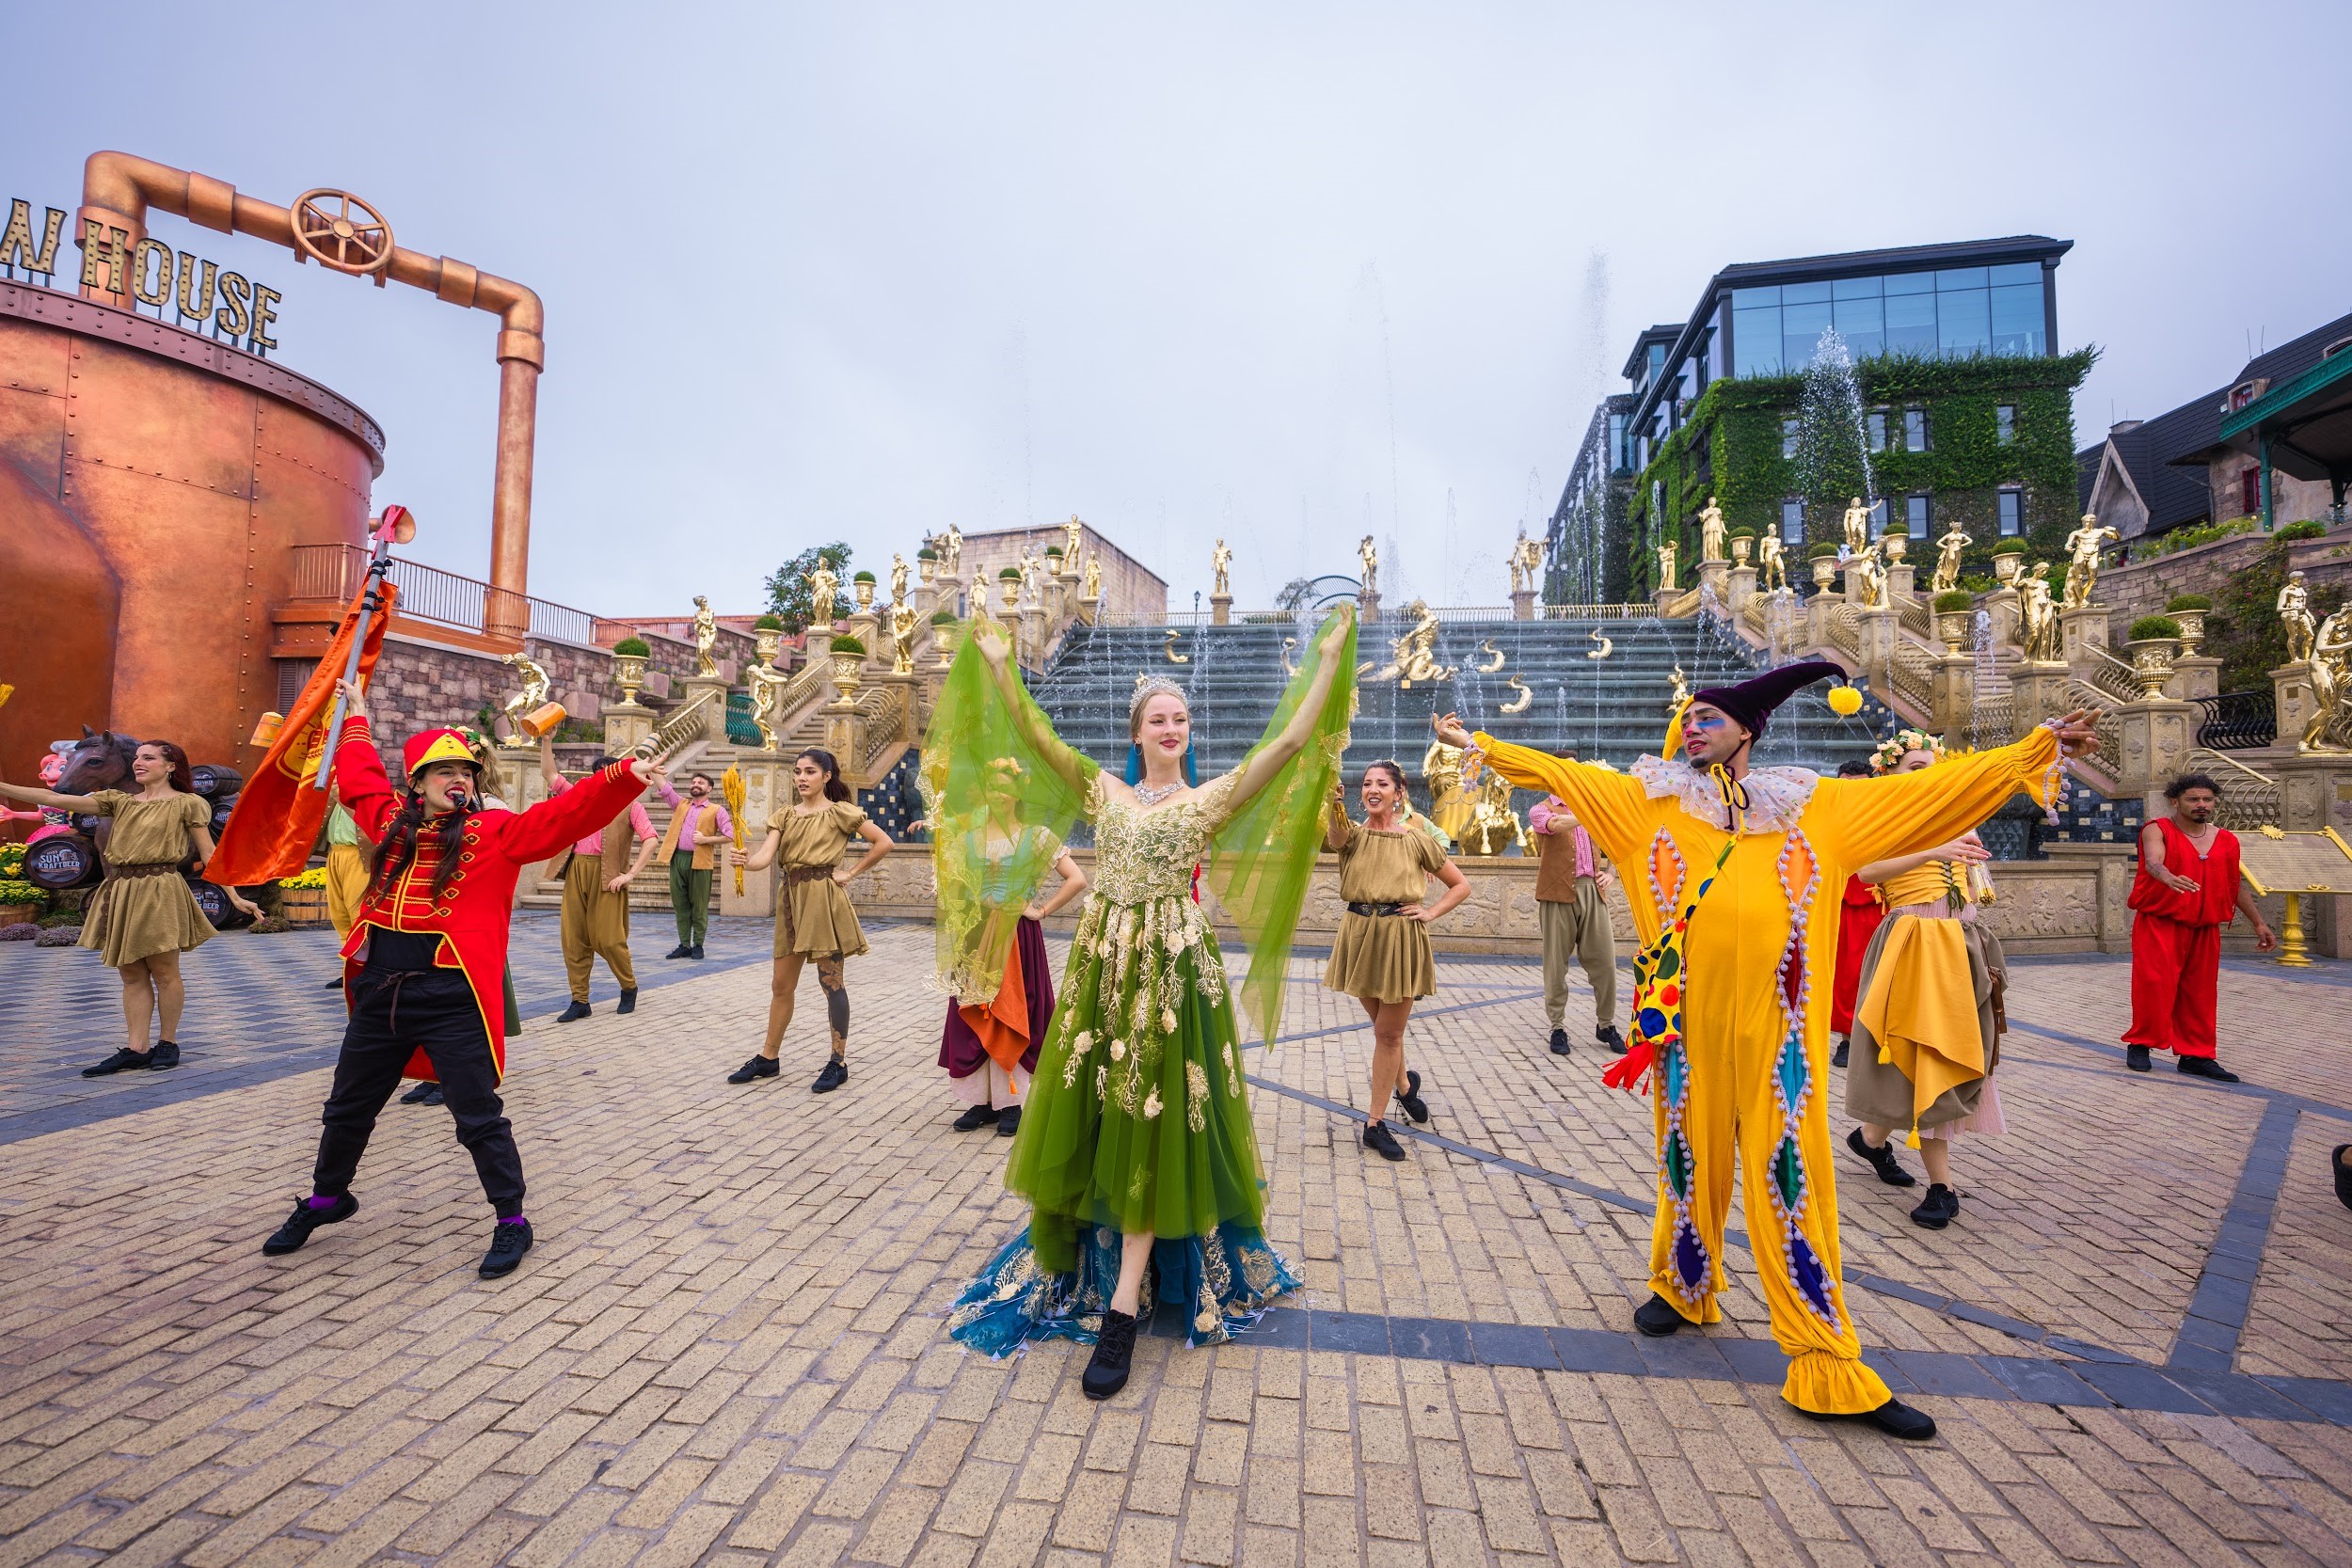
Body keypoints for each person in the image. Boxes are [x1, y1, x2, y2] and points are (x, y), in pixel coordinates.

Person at [1437, 671, 2100, 1442]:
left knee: (1793, 1180)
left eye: (1708, 716)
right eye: (1687, 716)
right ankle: (1685, 1284)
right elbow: (1560, 774)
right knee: (1687, 1159)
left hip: (1781, 1037)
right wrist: (1478, 744)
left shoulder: (1817, 807)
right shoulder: (1644, 802)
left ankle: (1823, 1357)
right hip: (1682, 1031)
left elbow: (1933, 793)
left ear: (1747, 729)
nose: (1691, 727)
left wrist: (2034, 747)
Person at [939, 607, 1355, 1399]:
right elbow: (1036, 739)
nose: (1174, 725)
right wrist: (998, 665)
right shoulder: (1103, 791)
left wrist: (1328, 660)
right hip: (1104, 973)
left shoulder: (1208, 801)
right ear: (1137, 733)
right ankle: (1088, 1268)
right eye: (1160, 717)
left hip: (1170, 979)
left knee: (1149, 1121)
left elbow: (1291, 743)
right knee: (1095, 1114)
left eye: (1183, 717)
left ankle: (1123, 1305)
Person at [261, 681, 669, 1276]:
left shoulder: (497, 835)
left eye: (467, 772)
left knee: (477, 1115)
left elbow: (564, 815)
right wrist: (357, 717)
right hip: (380, 989)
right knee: (347, 1106)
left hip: (451, 997)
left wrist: (624, 776)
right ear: (418, 784)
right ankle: (327, 1199)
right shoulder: (392, 826)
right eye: (443, 770)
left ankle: (512, 1221)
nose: (459, 780)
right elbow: (361, 780)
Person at [2, 740, 260, 1076]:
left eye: (148, 758)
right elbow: (53, 798)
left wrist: (235, 896)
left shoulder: (188, 803)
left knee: (165, 971)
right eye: (137, 758)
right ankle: (136, 1048)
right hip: (121, 889)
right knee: (131, 973)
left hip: (160, 887)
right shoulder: (118, 801)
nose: (138, 763)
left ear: (170, 766)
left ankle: (167, 1043)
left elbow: (210, 854)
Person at [1841, 732, 2007, 1230]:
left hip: (1961, 942)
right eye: (1914, 764)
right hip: (1913, 943)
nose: (1925, 771)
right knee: (1927, 1051)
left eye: (1930, 764)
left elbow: (1977, 888)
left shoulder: (1954, 816)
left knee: (1938, 1052)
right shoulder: (1884, 818)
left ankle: (1871, 1139)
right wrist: (1934, 850)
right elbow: (1864, 871)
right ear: (1888, 772)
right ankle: (1942, 1187)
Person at [914, 767, 1089, 1137]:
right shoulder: (968, 837)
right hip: (976, 937)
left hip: (1016, 938)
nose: (995, 794)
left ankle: (1012, 1101)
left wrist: (1040, 911)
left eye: (1003, 787)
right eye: (990, 786)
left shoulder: (1037, 836)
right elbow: (955, 885)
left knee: (1012, 1010)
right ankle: (981, 1101)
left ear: (1019, 789)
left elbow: (1077, 879)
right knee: (976, 1012)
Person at [1324, 760, 1471, 1160]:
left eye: (1382, 784)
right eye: (1367, 784)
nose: (1373, 789)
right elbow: (1335, 836)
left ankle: (1374, 1124)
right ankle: (1405, 1087)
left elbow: (1460, 885)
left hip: (1399, 939)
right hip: (1359, 934)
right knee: (1385, 1029)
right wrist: (1331, 801)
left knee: (1388, 1034)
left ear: (1398, 792)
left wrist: (1429, 912)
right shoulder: (1352, 835)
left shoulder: (1416, 839)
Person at [724, 749, 893, 1092]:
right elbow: (765, 858)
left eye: (810, 772)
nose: (802, 778)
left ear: (827, 776)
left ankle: (837, 1061)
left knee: (831, 983)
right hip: (791, 898)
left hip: (823, 899)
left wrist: (851, 872)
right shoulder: (784, 816)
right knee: (780, 985)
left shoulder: (840, 813)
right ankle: (768, 1058)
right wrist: (744, 861)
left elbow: (883, 842)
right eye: (798, 772)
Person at [2124, 772, 2275, 1080]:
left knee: (2201, 992)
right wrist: (2167, 876)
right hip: (2160, 922)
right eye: (2193, 799)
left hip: (2205, 928)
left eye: (2207, 799)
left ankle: (2196, 1055)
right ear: (2175, 801)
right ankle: (2141, 1043)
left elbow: (2234, 885)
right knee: (2154, 985)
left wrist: (2259, 923)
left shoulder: (2226, 840)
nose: (2201, 805)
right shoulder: (2158, 829)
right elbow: (2153, 862)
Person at [540, 736, 658, 1022]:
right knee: (574, 938)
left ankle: (628, 987)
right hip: (577, 869)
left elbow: (651, 839)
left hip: (608, 875)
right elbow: (551, 775)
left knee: (608, 938)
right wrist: (546, 741)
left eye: (608, 775)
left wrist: (629, 874)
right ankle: (580, 1000)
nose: (602, 780)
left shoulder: (631, 806)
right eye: (598, 776)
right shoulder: (582, 797)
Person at [1527, 787, 1622, 1058]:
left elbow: (1617, 840)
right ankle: (1557, 1027)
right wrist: (1590, 812)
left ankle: (1606, 1025)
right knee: (1556, 965)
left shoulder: (1589, 806)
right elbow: (1556, 825)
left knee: (1605, 962)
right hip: (1556, 893)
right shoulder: (1541, 809)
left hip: (1593, 890)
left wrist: (1611, 873)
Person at [1826, 758, 1883, 1069]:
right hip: (1841, 903)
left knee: (1877, 971)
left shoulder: (1884, 814)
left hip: (1879, 901)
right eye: (1847, 785)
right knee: (1846, 975)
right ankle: (1848, 1039)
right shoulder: (1827, 813)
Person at [650, 767, 731, 959]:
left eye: (701, 783)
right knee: (680, 904)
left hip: (701, 862)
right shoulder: (681, 804)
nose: (696, 785)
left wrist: (706, 840)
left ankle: (698, 945)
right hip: (678, 858)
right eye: (694, 782)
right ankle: (684, 944)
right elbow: (663, 786)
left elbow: (730, 835)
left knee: (699, 905)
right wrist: (652, 767)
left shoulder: (716, 810)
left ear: (710, 788)